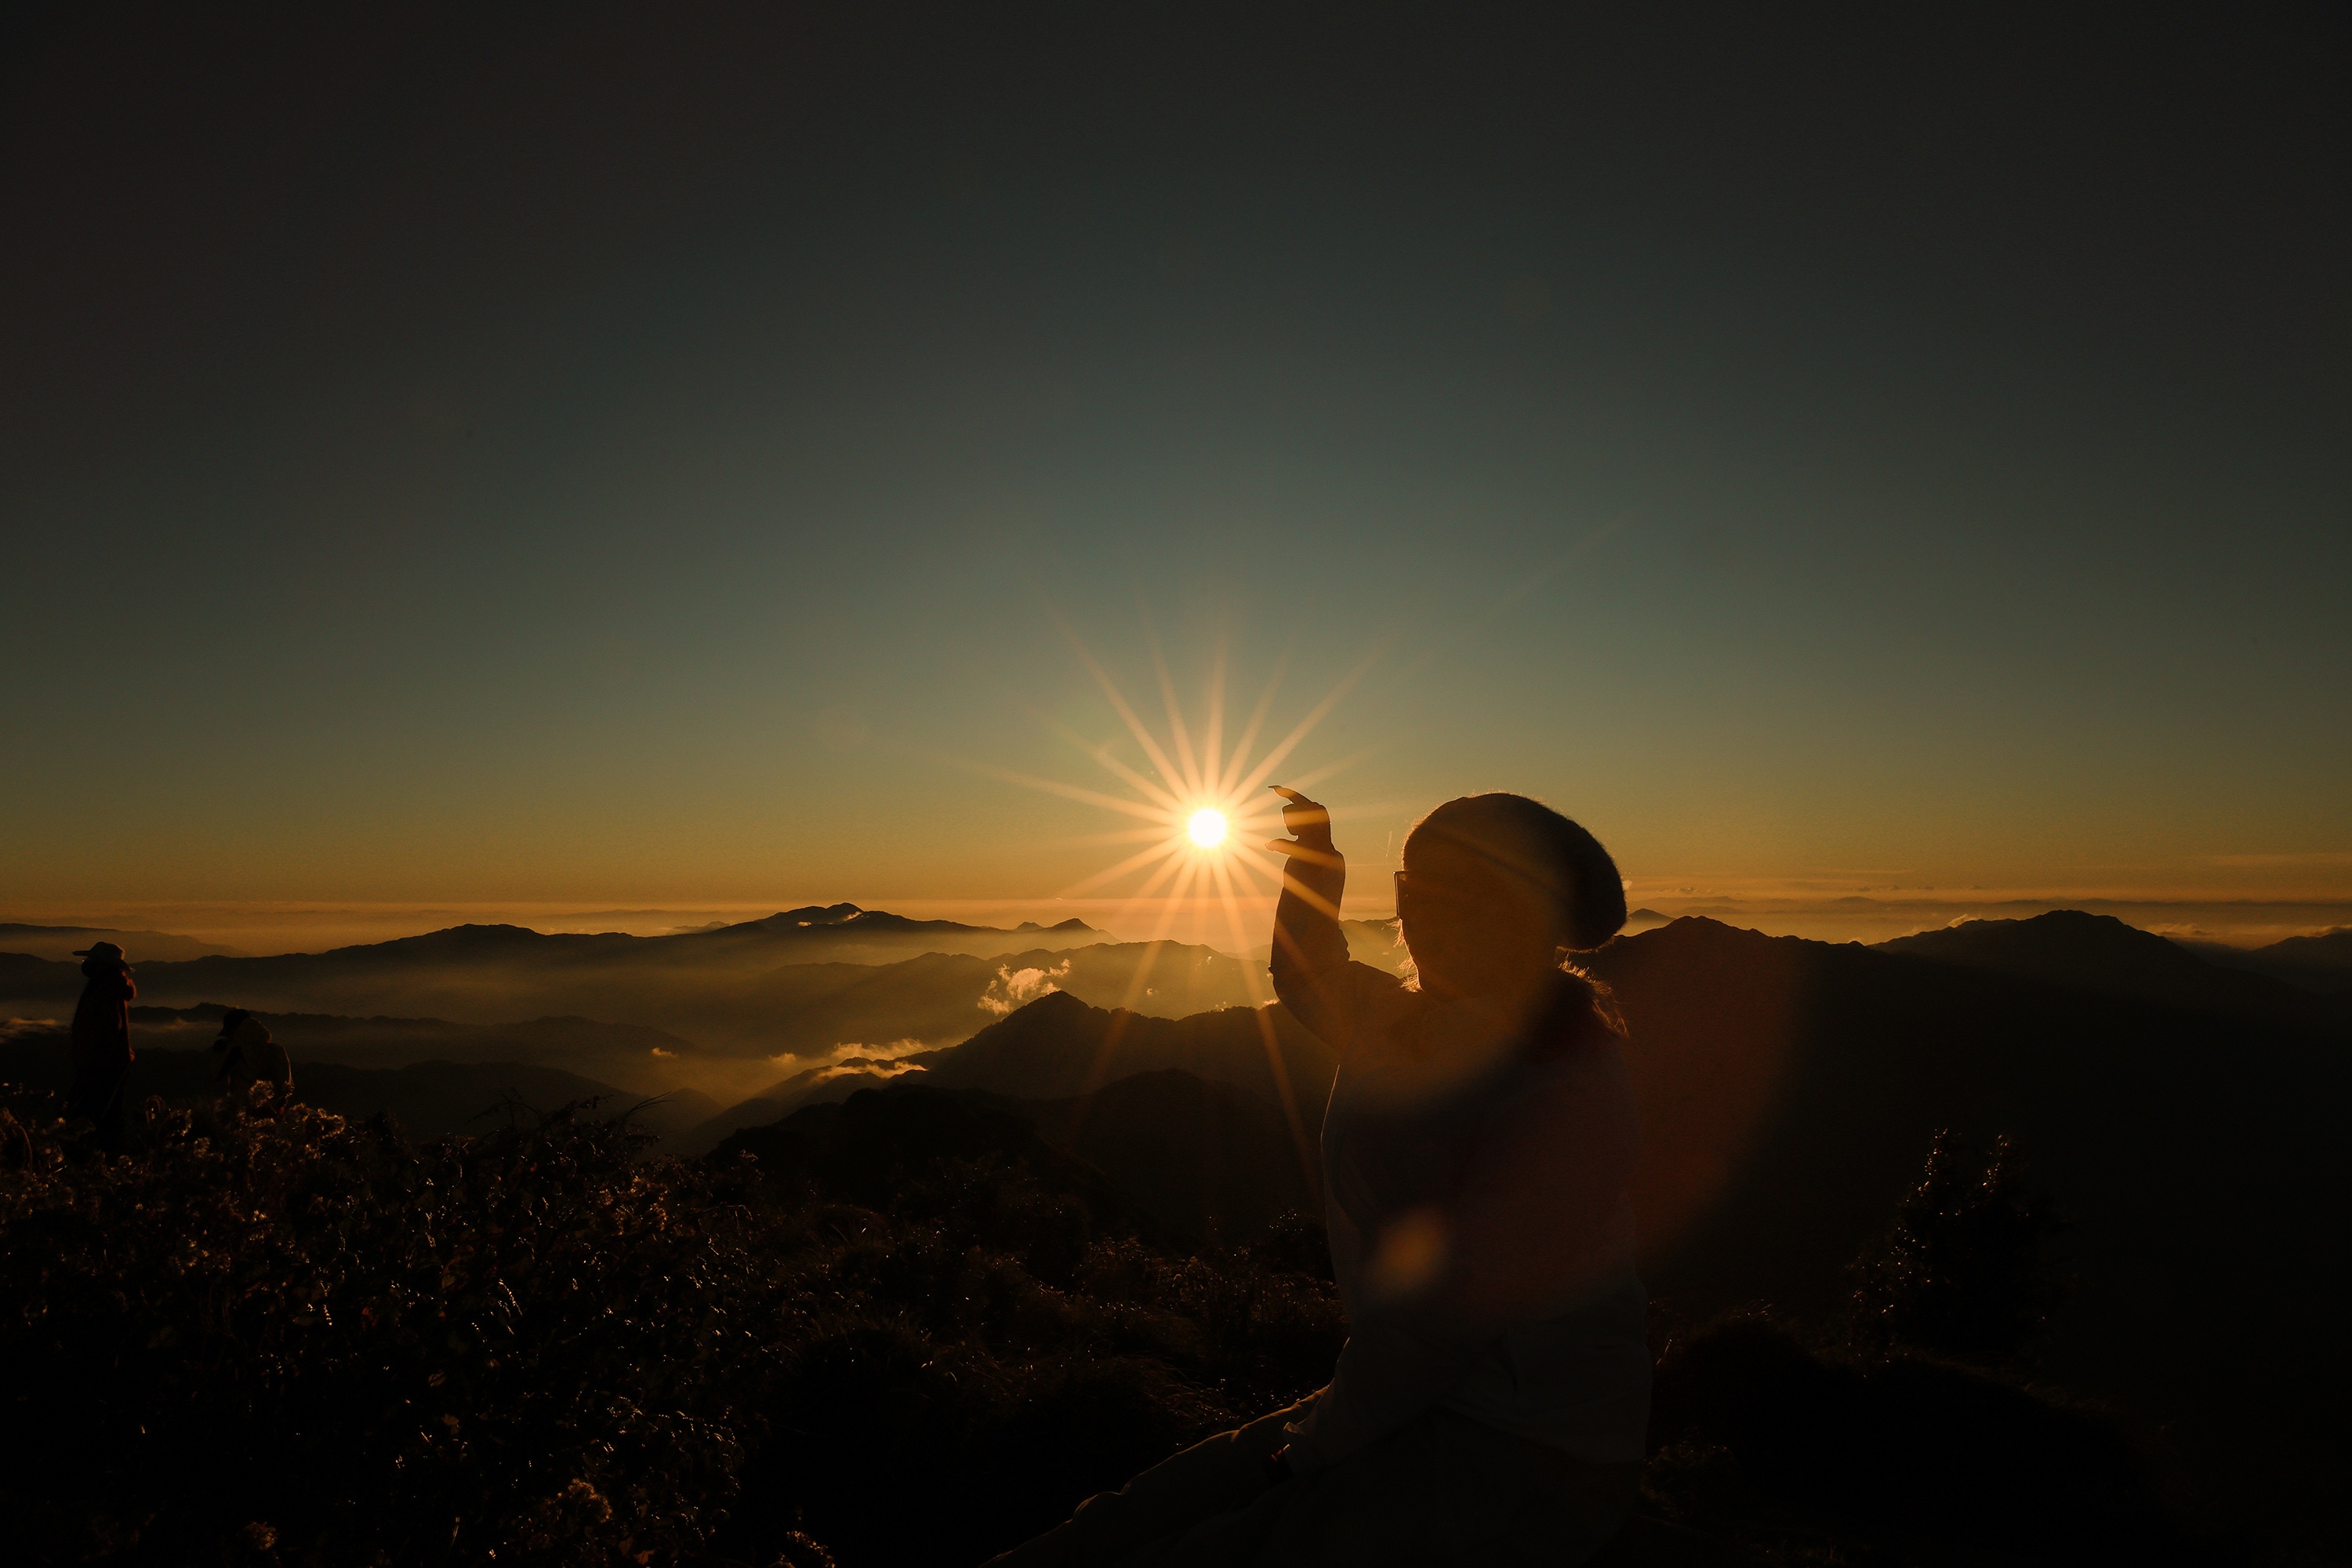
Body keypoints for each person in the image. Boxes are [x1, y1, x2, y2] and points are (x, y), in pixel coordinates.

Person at [986, 788, 1647, 1567]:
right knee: (1120, 1522)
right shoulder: (1407, 1022)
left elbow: (1444, 1316)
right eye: (1412, 889)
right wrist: (1314, 869)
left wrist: (1318, 1446)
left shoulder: (1564, 1086)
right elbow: (1308, 975)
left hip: (1533, 1441)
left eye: (1462, 896)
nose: (1424, 916)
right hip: (1416, 1395)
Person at [67, 938, 138, 1149]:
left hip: (102, 1063)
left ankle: (89, 1159)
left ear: (103, 965)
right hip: (111, 1061)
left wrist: (91, 1060)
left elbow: (108, 1026)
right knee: (109, 1114)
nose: (86, 963)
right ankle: (108, 1159)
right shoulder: (108, 984)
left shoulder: (105, 988)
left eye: (91, 959)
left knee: (90, 1115)